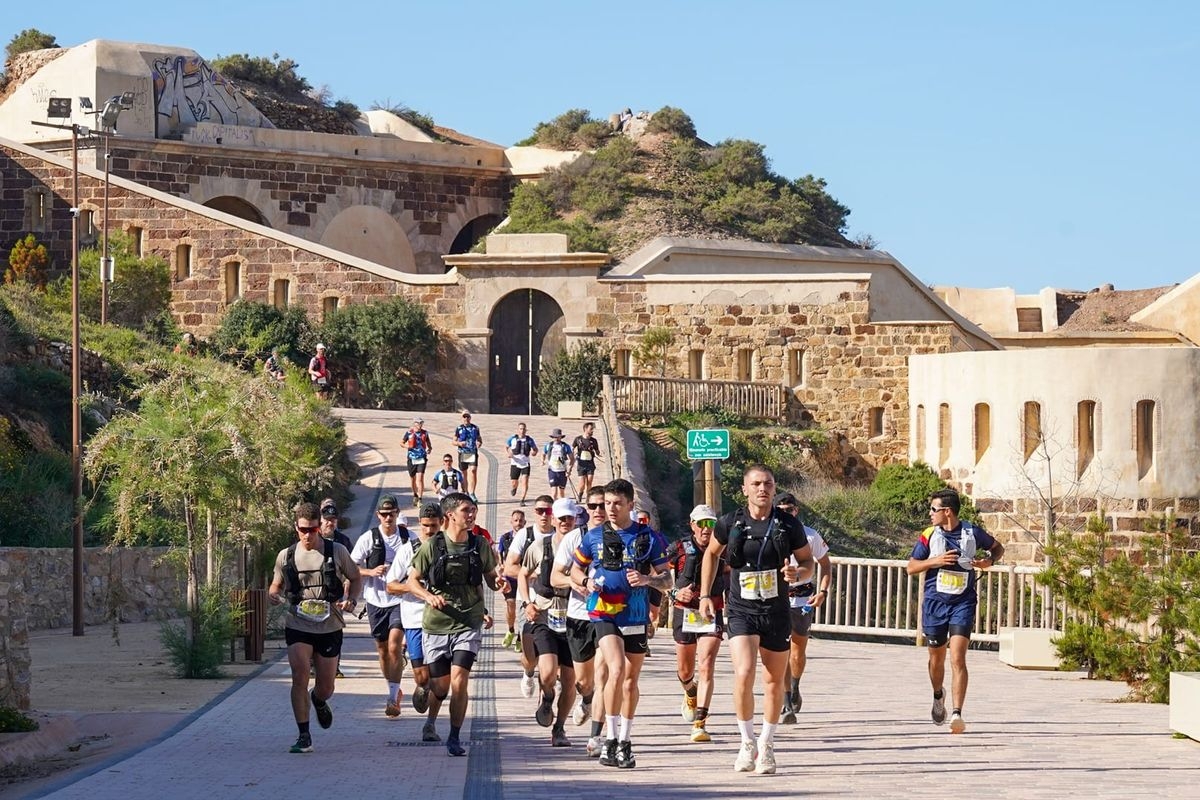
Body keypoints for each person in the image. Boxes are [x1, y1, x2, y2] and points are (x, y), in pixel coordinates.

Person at [698, 465, 813, 775]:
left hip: (776, 610)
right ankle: (746, 742)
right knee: (744, 672)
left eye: (769, 484)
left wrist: (797, 574)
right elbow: (711, 554)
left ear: (774, 489)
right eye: (757, 484)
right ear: (745, 489)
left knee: (774, 679)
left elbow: (807, 563)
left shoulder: (788, 525)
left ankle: (767, 743)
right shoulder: (730, 522)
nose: (763, 489)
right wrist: (706, 595)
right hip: (741, 608)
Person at [570, 478, 671, 769]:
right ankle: (609, 739)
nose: (610, 509)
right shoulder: (593, 536)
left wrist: (647, 579)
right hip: (603, 611)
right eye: (606, 504)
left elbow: (667, 579)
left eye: (616, 503)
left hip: (635, 614)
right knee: (615, 668)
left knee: (630, 680)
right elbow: (576, 570)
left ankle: (625, 740)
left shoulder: (649, 538)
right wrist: (585, 581)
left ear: (630, 504)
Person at [406, 492, 501, 756]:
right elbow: (412, 581)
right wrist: (428, 596)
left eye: (473, 510)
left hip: (468, 622)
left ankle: (455, 737)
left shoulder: (480, 544)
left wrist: (499, 584)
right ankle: (430, 709)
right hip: (436, 624)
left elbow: (490, 577)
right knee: (441, 686)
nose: (471, 515)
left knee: (460, 681)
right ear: (450, 515)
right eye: (466, 511)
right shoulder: (432, 547)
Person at [906, 487, 1003, 735]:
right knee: (936, 658)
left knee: (958, 657)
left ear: (947, 511)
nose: (930, 513)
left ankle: (958, 713)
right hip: (935, 604)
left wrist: (987, 562)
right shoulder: (929, 535)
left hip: (963, 602)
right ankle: (938, 695)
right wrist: (934, 562)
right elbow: (911, 567)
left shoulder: (972, 532)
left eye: (933, 509)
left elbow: (997, 548)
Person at [268, 502, 362, 754]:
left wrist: (351, 599)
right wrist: (274, 594)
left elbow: (355, 577)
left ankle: (319, 700)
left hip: (329, 625)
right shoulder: (286, 555)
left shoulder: (337, 551)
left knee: (326, 687)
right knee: (299, 674)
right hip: (298, 622)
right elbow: (275, 584)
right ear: (296, 528)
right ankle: (304, 735)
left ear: (319, 527)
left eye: (312, 530)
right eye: (303, 530)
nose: (308, 535)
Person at [551, 485, 610, 756]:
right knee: (584, 681)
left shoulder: (621, 536)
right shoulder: (575, 537)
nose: (599, 511)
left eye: (603, 505)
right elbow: (555, 578)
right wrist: (578, 583)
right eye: (594, 506)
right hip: (578, 615)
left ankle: (601, 736)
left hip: (609, 615)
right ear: (586, 509)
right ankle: (586, 699)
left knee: (605, 674)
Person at [517, 497, 580, 747]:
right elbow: (522, 574)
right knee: (547, 672)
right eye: (560, 518)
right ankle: (546, 699)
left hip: (573, 616)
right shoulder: (540, 547)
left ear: (575, 519)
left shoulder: (583, 546)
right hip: (544, 612)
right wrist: (526, 603)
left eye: (569, 518)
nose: (565, 522)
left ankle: (560, 728)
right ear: (553, 520)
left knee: (570, 681)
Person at [773, 492, 833, 724]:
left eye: (790, 510)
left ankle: (795, 685)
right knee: (782, 651)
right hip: (777, 598)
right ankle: (786, 701)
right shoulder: (771, 533)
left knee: (797, 652)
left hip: (802, 598)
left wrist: (823, 592)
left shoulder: (810, 536)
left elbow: (825, 566)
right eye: (782, 510)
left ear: (796, 511)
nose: (786, 514)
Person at [350, 494, 411, 718]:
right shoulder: (369, 538)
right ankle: (394, 688)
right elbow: (351, 567)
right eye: (384, 514)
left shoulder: (408, 538)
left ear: (397, 514)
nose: (388, 518)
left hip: (399, 600)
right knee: (383, 650)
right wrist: (370, 572)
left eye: (391, 514)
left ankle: (392, 698)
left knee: (395, 646)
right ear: (378, 515)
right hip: (375, 600)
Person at [670, 504, 728, 743]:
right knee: (685, 671)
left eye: (711, 524)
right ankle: (690, 692)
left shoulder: (724, 550)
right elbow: (660, 574)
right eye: (701, 524)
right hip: (685, 611)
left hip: (712, 611)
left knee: (706, 665)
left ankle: (700, 723)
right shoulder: (678, 548)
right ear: (692, 525)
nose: (706, 529)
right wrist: (674, 593)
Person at [385, 502, 443, 739]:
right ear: (420, 523)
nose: (430, 531)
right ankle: (423, 685)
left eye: (434, 526)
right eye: (426, 526)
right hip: (414, 620)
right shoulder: (408, 550)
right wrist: (413, 588)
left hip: (441, 622)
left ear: (442, 523)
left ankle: (431, 724)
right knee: (423, 677)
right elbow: (390, 585)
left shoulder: (447, 548)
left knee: (442, 676)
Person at [504, 495, 557, 696]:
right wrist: (534, 574)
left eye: (548, 511)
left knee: (555, 642)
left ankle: (552, 679)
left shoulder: (561, 535)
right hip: (527, 598)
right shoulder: (525, 535)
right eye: (539, 511)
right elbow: (509, 567)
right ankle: (528, 671)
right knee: (530, 652)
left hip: (554, 601)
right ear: (534, 513)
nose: (544, 515)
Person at [497, 509, 527, 651]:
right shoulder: (505, 538)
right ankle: (510, 629)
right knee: (510, 605)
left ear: (525, 522)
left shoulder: (528, 538)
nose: (518, 523)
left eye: (521, 520)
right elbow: (500, 557)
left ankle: (521, 637)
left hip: (523, 578)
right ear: (511, 522)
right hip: (510, 578)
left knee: (523, 607)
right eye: (516, 520)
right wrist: (501, 571)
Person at [402, 418, 433, 507]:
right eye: (418, 423)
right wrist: (406, 446)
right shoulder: (409, 433)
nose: (420, 425)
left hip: (421, 458)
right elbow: (401, 442)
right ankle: (415, 494)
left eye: (421, 423)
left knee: (420, 478)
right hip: (412, 458)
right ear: (414, 423)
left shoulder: (425, 433)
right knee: (413, 479)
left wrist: (429, 449)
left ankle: (420, 498)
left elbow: (429, 444)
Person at [453, 411, 483, 501]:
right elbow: (453, 441)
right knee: (464, 473)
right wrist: (459, 443)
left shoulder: (475, 428)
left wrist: (479, 442)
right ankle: (465, 491)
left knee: (473, 471)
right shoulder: (459, 428)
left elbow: (479, 438)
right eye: (464, 417)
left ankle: (472, 492)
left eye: (467, 417)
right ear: (462, 418)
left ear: (470, 418)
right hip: (463, 452)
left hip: (472, 452)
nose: (466, 419)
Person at [506, 423, 537, 506]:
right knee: (514, 481)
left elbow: (535, 449)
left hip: (525, 463)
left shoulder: (529, 440)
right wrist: (509, 453)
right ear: (518, 430)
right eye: (520, 429)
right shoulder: (512, 439)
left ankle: (522, 499)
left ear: (526, 430)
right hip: (515, 463)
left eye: (523, 429)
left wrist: (534, 452)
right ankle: (514, 488)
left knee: (525, 481)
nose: (522, 431)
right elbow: (506, 447)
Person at [572, 422, 603, 498]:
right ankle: (580, 493)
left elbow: (597, 451)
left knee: (589, 482)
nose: (592, 431)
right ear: (585, 429)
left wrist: (600, 453)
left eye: (593, 429)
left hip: (590, 463)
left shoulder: (594, 441)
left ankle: (588, 497)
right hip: (581, 463)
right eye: (591, 429)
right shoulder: (578, 439)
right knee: (582, 483)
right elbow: (572, 448)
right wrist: (572, 455)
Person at [542, 428, 574, 500]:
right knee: (554, 492)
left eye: (558, 437)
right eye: (555, 437)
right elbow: (543, 454)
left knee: (561, 492)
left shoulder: (565, 446)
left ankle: (561, 506)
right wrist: (542, 461)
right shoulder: (548, 446)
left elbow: (572, 459)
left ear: (561, 437)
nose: (556, 438)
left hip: (562, 471)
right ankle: (554, 507)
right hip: (552, 470)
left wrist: (569, 470)